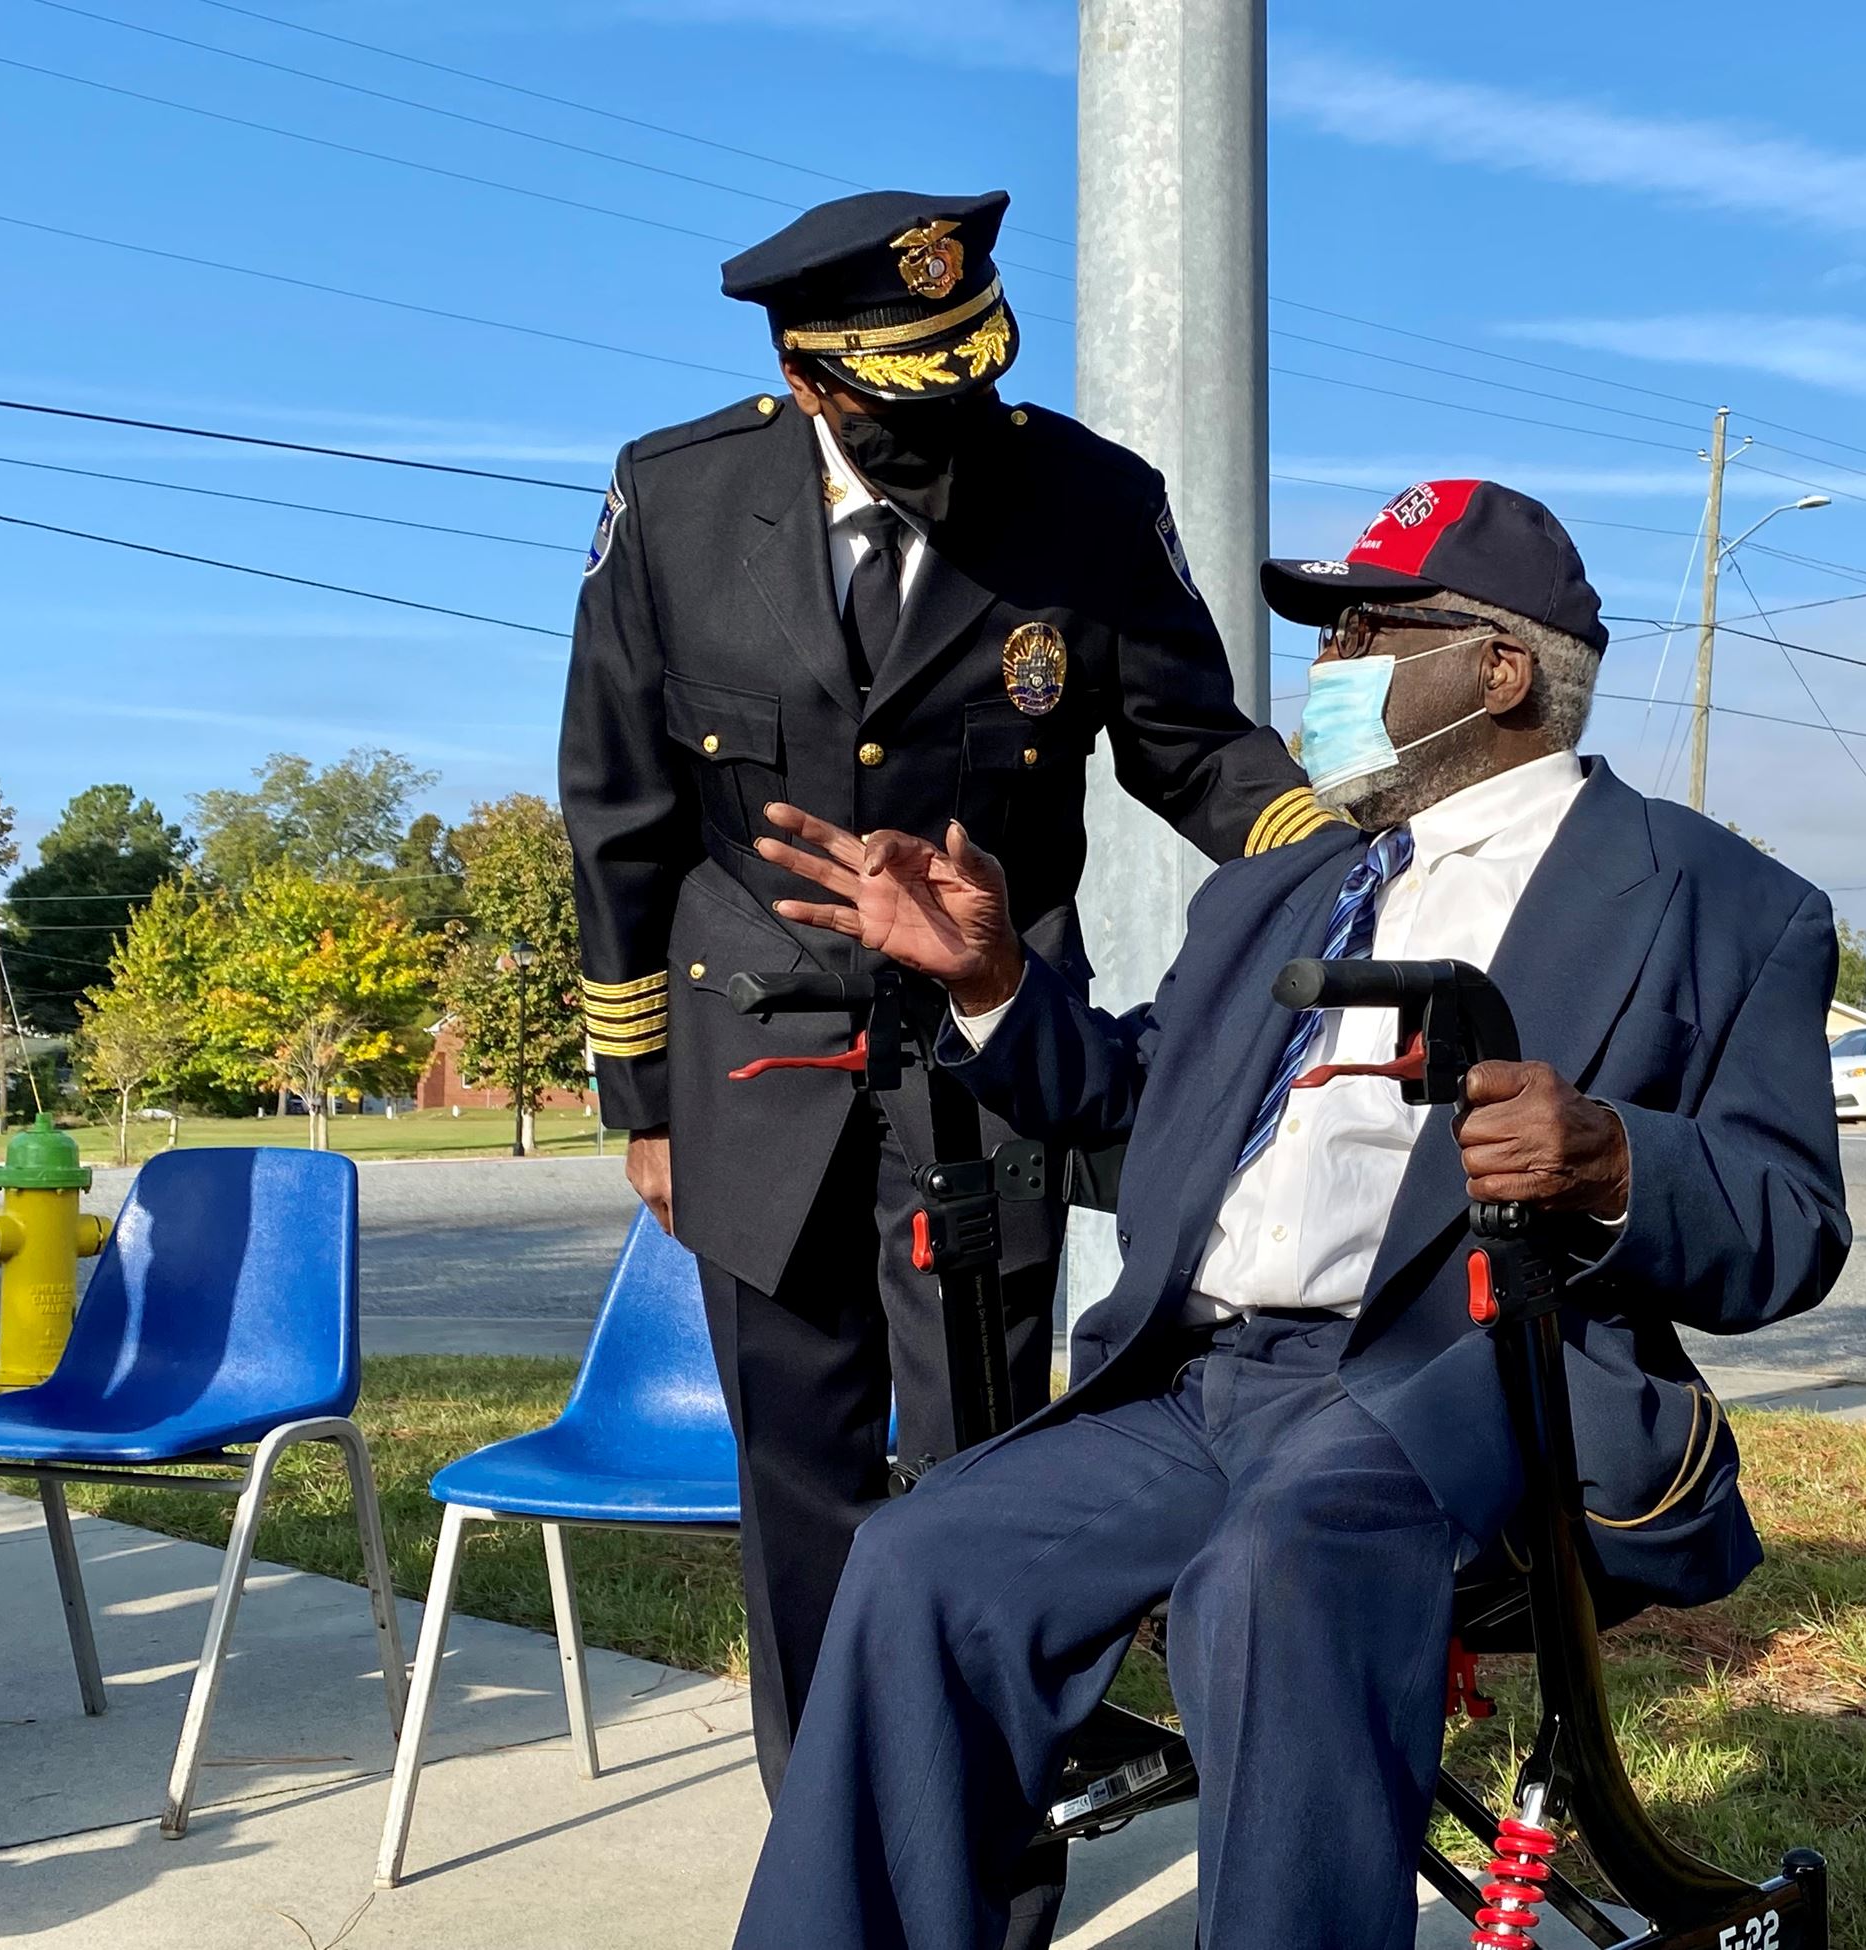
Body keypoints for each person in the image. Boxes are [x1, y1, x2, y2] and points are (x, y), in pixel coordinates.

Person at [731, 478, 1852, 1949]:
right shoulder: (1283, 888)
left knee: (1281, 1566)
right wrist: (995, 982)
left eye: (1367, 629)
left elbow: (1790, 1220)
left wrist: (1612, 1157)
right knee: (922, 1558)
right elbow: (1140, 1101)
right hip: (1201, 1385)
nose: (1325, 671)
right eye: (1325, 635)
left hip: (1459, 1385)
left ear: (1499, 669)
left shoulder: (1718, 903)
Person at [556, 187, 1322, 1817]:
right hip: (751, 1070)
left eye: (967, 382)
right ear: (808, 372)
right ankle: (835, 1853)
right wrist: (641, 1108)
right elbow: (617, 807)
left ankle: (992, 1869)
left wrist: (1346, 861)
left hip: (987, 1063)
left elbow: (1196, 747)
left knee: (983, 1474)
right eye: (907, 401)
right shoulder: (678, 504)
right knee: (801, 1482)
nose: (950, 433)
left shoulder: (1087, 503)